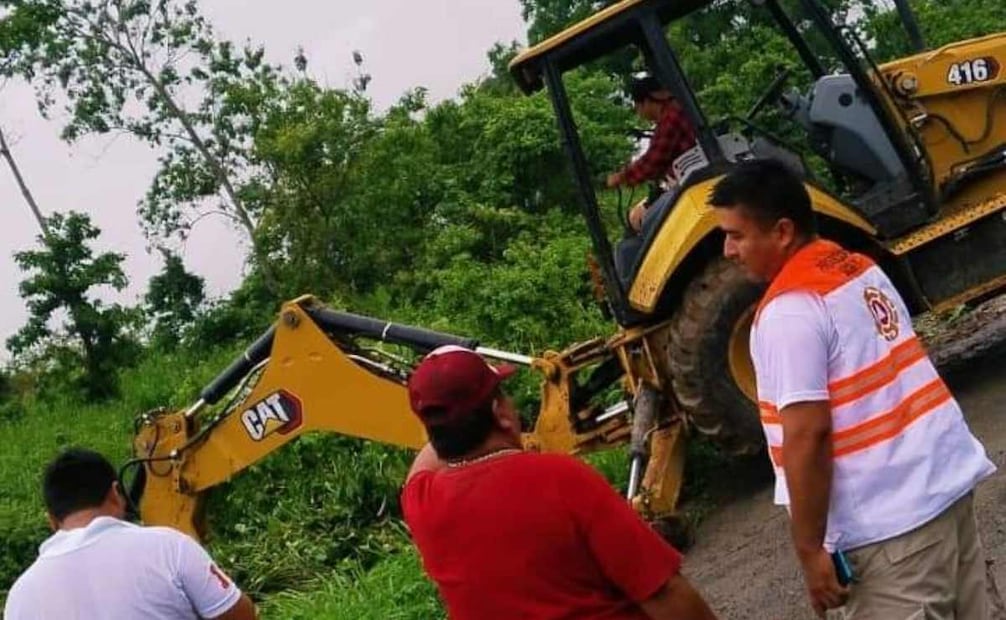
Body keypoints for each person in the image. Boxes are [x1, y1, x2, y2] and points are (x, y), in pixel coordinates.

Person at [709, 158, 998, 619]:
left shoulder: (789, 312)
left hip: (892, 533)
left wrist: (809, 549)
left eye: (736, 236)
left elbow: (808, 433)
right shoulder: (859, 269)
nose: (727, 251)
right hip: (943, 493)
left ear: (782, 231)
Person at [400, 344, 717, 620]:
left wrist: (445, 415)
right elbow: (663, 592)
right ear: (500, 413)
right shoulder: (561, 478)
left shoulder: (422, 504)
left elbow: (424, 464)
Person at [4, 448, 257, 620]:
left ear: (51, 520)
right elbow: (242, 616)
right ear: (116, 493)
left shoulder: (20, 597)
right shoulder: (170, 547)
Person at [607, 74, 697, 232]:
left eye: (637, 106)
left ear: (646, 102)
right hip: (684, 179)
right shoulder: (678, 110)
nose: (638, 112)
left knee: (643, 222)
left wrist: (621, 177)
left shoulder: (670, 118)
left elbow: (653, 162)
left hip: (687, 182)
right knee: (639, 213)